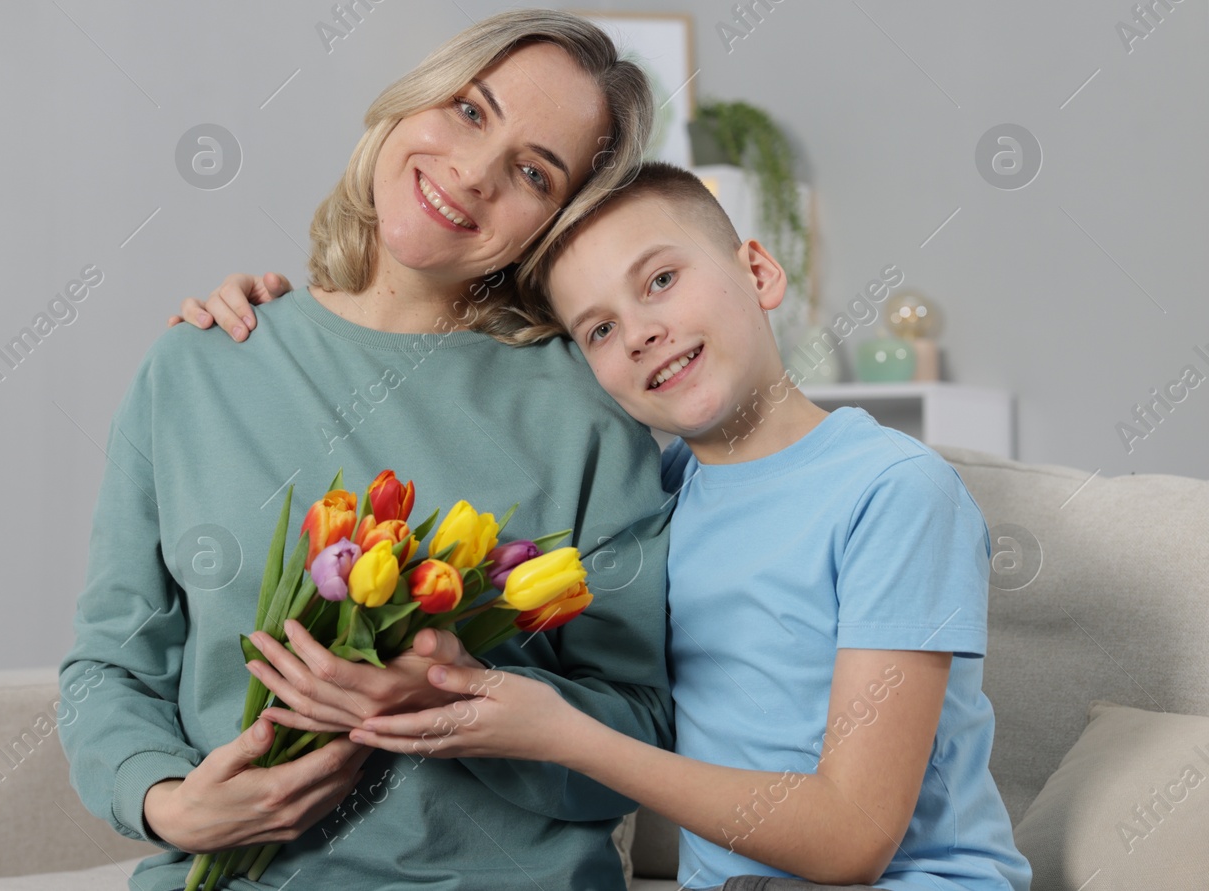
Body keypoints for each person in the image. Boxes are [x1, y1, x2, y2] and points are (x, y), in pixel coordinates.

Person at [193, 163, 1032, 891]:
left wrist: (565, 734)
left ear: (759, 270)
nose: (640, 332)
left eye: (661, 279)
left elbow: (852, 838)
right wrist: (281, 327)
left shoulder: (894, 492)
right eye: (597, 328)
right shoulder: (655, 500)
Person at [58, 10, 676, 891]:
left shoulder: (585, 411)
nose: (472, 173)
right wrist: (166, 801)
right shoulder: (201, 363)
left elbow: (644, 727)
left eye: (534, 171)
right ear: (411, 103)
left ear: (556, 221)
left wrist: (459, 703)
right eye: (469, 110)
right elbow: (113, 663)